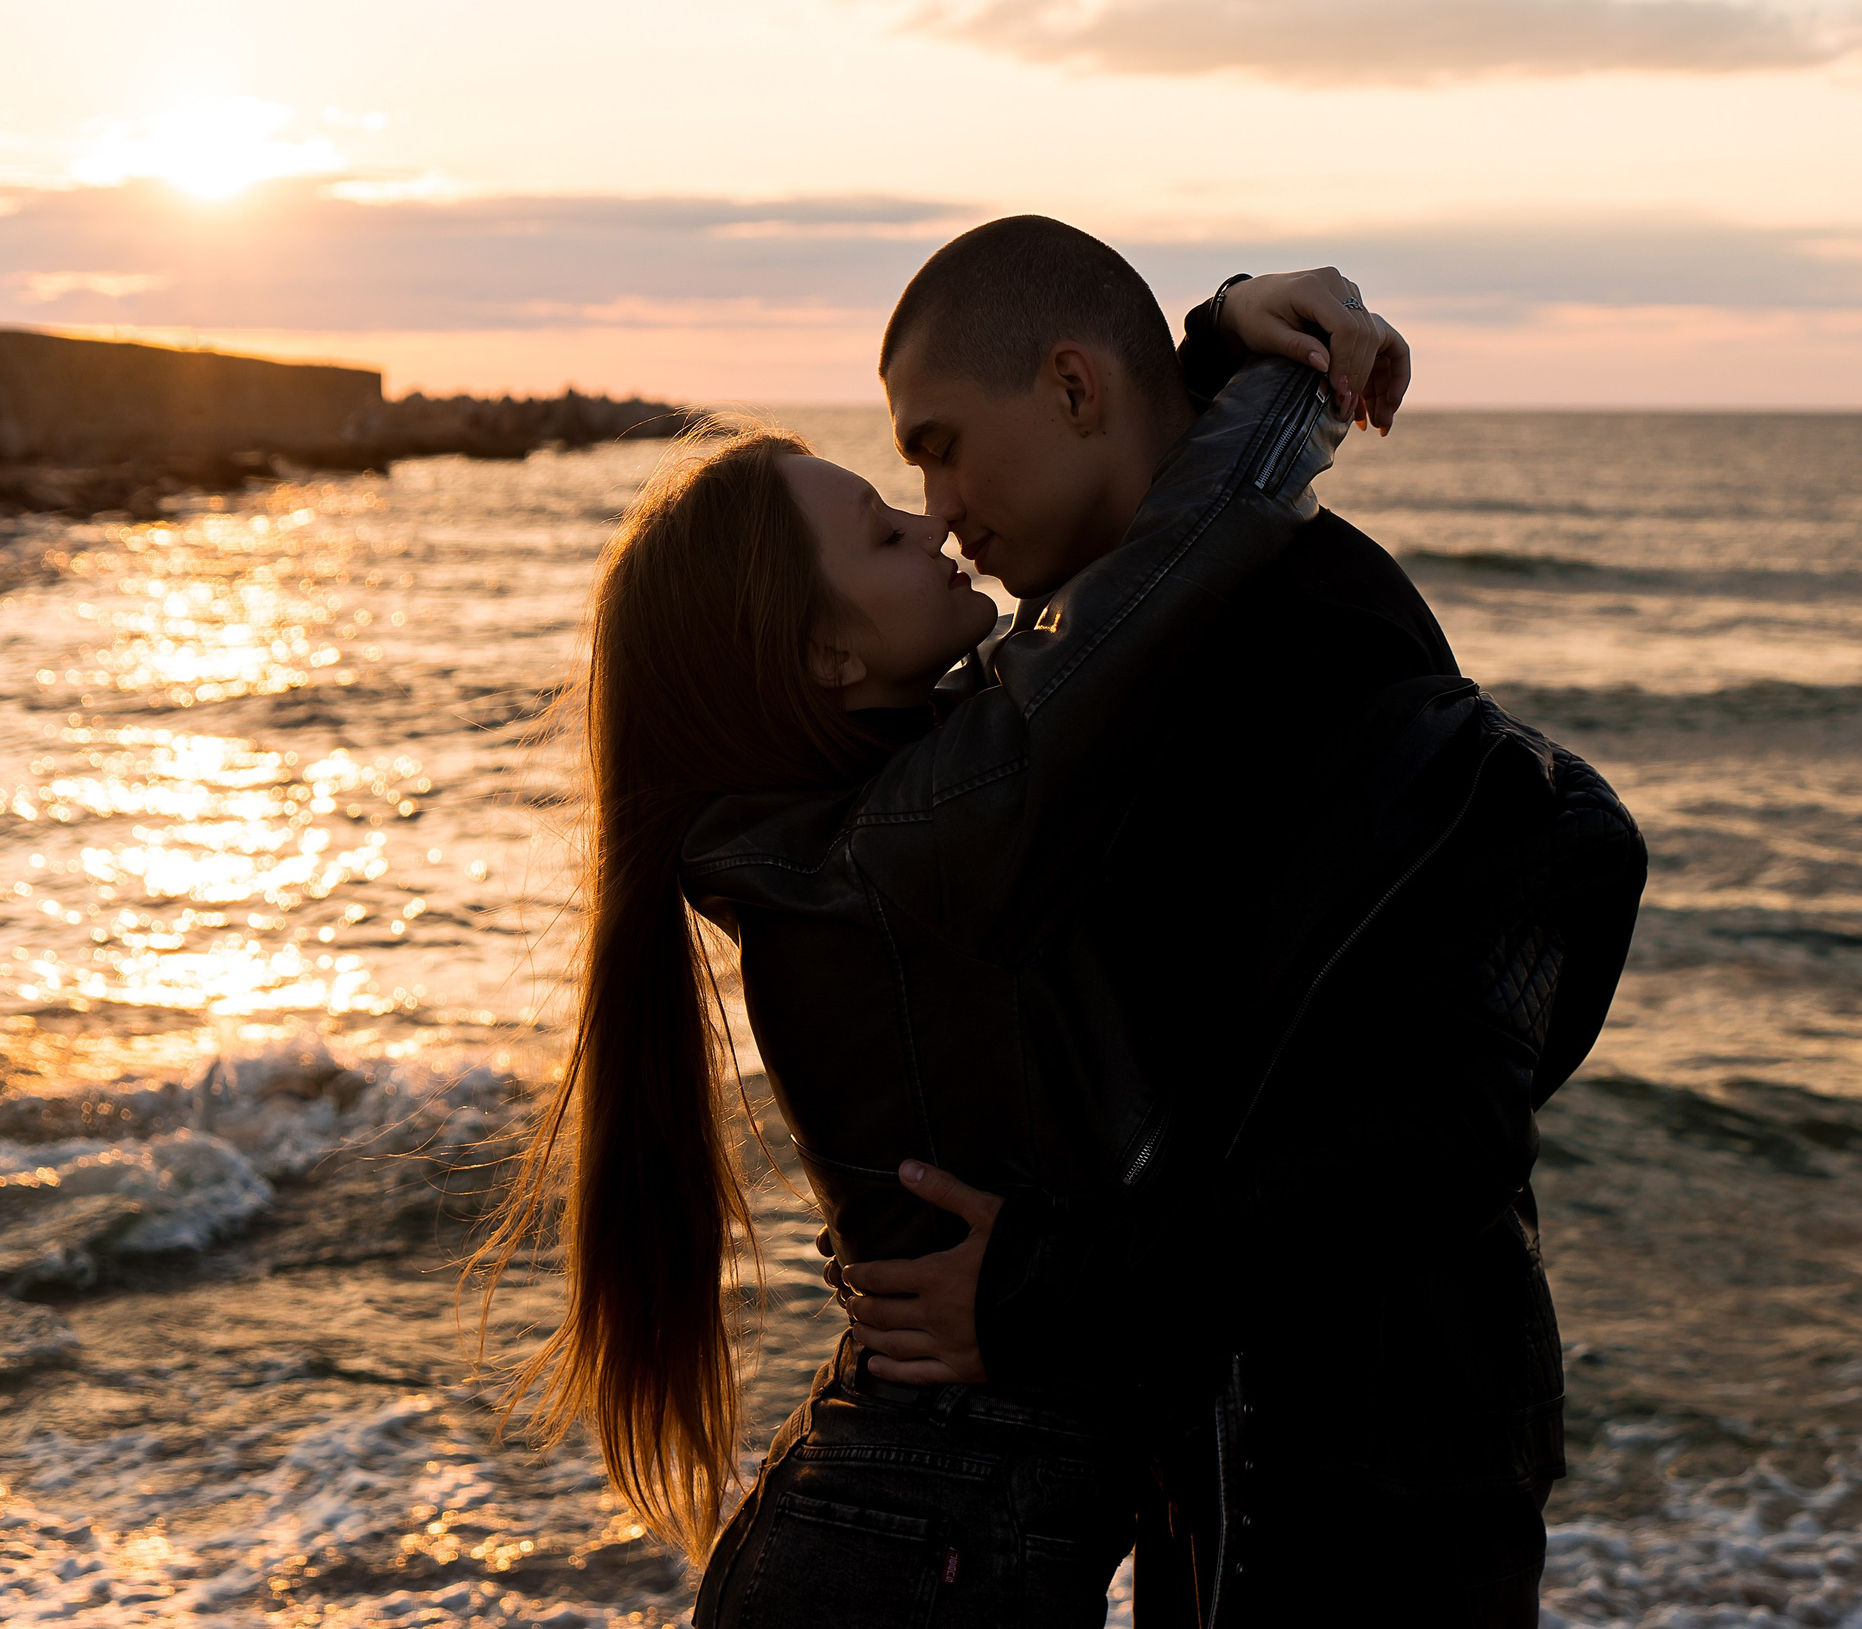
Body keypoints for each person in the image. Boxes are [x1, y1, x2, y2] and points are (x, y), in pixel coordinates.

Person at [475, 251, 1409, 1626]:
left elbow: (1120, 561)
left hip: (907, 1530)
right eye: (881, 532)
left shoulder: (879, 833)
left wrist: (1195, 353)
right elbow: (1169, 569)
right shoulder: (915, 840)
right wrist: (1280, 379)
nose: (933, 524)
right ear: (827, 655)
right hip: (911, 1561)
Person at [832, 217, 1649, 1626]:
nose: (942, 507)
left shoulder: (1303, 647)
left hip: (1377, 1495)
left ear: (1074, 387)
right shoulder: (1129, 652)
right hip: (1255, 1452)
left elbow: (1439, 1133)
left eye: (943, 446)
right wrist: (1216, 345)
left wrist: (1045, 1294)